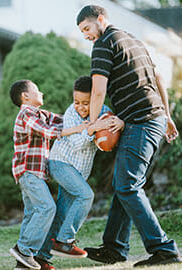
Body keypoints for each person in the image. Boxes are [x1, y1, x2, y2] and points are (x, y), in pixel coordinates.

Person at [76, 5, 181, 267]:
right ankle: (114, 248)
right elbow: (158, 78)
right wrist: (166, 115)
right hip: (149, 120)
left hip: (141, 123)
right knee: (123, 184)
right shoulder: (132, 39)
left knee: (127, 185)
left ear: (101, 20)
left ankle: (164, 249)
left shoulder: (104, 43)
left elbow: (98, 91)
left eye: (87, 28)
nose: (86, 35)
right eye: (82, 32)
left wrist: (92, 125)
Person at [15, 76, 118, 270]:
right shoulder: (64, 113)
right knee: (83, 196)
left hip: (73, 172)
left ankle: (38, 259)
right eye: (77, 102)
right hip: (57, 165)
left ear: (96, 99)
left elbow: (111, 124)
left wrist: (116, 122)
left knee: (58, 213)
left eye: (86, 103)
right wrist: (91, 128)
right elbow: (73, 140)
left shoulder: (102, 111)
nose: (80, 107)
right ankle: (63, 242)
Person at [9, 79, 88, 270]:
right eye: (37, 90)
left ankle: (24, 264)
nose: (41, 92)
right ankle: (24, 249)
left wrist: (87, 117)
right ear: (25, 96)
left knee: (32, 213)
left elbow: (64, 120)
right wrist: (80, 129)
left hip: (35, 173)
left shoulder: (40, 114)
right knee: (46, 208)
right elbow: (47, 132)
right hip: (28, 171)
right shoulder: (26, 114)